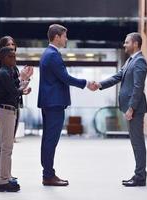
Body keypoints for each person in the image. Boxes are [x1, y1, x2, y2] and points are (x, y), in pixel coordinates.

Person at [37, 24, 95, 186]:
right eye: (64, 36)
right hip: (54, 103)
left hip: (49, 103)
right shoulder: (53, 55)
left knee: (48, 139)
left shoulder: (47, 54)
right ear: (57, 37)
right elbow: (65, 77)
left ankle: (47, 173)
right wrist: (86, 83)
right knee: (51, 140)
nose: (66, 39)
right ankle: (48, 175)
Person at [91, 32, 147, 187]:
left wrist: (131, 108)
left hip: (134, 109)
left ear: (135, 44)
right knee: (135, 142)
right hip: (130, 108)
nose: (124, 45)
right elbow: (117, 77)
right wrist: (100, 85)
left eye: (127, 42)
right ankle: (139, 174)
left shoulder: (140, 61)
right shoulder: (131, 61)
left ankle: (140, 177)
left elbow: (138, 87)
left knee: (138, 142)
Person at [0, 47, 31, 192]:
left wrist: (24, 84)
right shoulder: (3, 73)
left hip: (10, 110)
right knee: (6, 147)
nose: (14, 59)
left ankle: (6, 176)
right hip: (6, 111)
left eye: (14, 56)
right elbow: (13, 91)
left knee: (7, 147)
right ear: (3, 58)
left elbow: (15, 86)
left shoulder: (9, 71)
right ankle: (3, 181)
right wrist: (22, 90)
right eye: (11, 57)